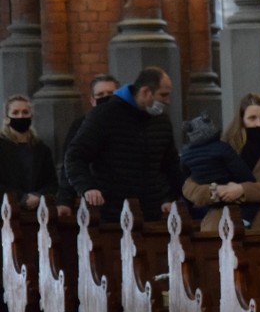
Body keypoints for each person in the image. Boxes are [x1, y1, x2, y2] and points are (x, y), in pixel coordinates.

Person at [65, 66, 183, 222]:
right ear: (146, 91)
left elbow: (170, 164)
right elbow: (75, 156)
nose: (167, 101)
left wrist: (170, 197)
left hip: (154, 211)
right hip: (113, 213)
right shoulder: (105, 115)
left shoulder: (161, 121)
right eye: (163, 95)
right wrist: (87, 187)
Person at [181, 93, 260, 232]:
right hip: (219, 224)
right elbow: (189, 187)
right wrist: (216, 191)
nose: (259, 124)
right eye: (252, 118)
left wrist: (242, 190)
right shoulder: (224, 147)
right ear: (242, 120)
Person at [180, 112, 259, 227]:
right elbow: (242, 172)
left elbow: (186, 176)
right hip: (233, 195)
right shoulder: (222, 148)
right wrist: (247, 184)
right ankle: (246, 220)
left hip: (210, 204)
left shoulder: (186, 156)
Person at [56, 74, 119, 217]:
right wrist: (65, 200)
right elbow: (70, 162)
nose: (106, 97)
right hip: (93, 198)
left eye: (111, 94)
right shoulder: (80, 126)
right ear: (92, 100)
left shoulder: (129, 124)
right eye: (100, 94)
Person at [0, 94, 59, 210]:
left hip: (37, 210)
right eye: (15, 113)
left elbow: (52, 183)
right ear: (7, 118)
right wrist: (22, 197)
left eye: (25, 112)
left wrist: (38, 196)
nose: (21, 116)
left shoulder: (41, 149)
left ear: (31, 116)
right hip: (6, 209)